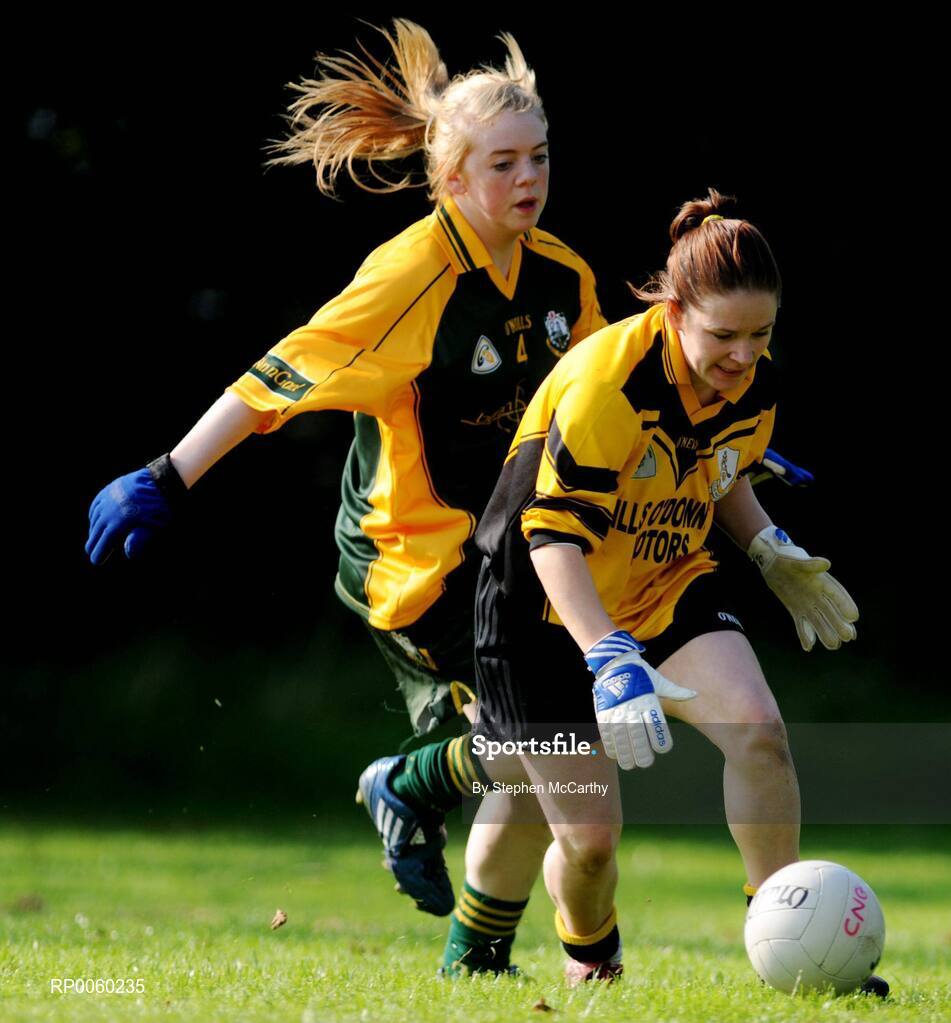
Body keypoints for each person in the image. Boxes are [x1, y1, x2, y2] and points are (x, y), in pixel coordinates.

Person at [83, 19, 604, 967]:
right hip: (416, 567)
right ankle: (409, 784)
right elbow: (280, 374)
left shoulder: (565, 273)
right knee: (559, 755)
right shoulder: (409, 278)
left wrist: (710, 450)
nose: (527, 178)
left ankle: (475, 955)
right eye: (501, 164)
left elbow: (602, 404)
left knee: (550, 765)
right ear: (451, 179)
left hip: (514, 560)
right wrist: (168, 474)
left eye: (538, 156)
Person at [463, 189, 887, 995]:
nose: (743, 355)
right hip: (540, 609)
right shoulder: (607, 385)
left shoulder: (750, 382)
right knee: (589, 841)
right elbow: (550, 537)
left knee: (759, 730)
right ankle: (590, 957)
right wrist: (608, 655)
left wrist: (765, 547)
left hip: (660, 579)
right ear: (673, 309)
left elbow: (713, 471)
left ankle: (788, 933)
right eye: (723, 335)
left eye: (761, 334)